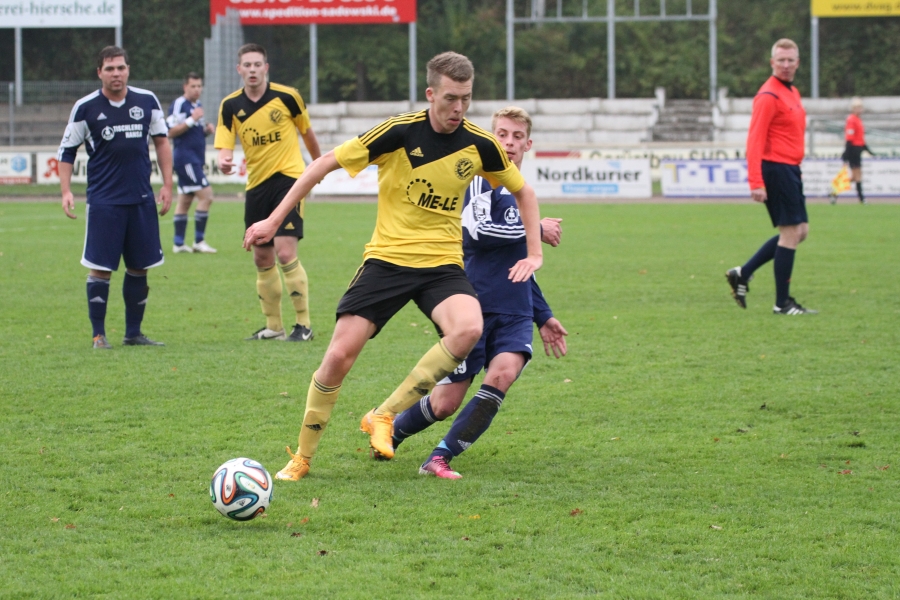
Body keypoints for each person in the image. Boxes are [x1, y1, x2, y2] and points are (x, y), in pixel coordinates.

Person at [242, 52, 544, 481]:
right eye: (450, 99)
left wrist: (534, 254)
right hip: (386, 260)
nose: (458, 109)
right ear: (430, 94)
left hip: (441, 264)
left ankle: (384, 415)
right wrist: (274, 220)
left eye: (466, 99)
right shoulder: (398, 132)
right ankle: (302, 458)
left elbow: (524, 193)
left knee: (468, 328)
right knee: (338, 357)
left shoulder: (480, 144)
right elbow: (322, 165)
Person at [387, 106, 568, 479]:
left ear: (528, 145)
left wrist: (543, 315)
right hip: (473, 309)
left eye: (517, 137)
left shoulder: (522, 195)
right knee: (444, 403)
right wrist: (533, 229)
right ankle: (391, 431)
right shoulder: (475, 181)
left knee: (502, 374)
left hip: (515, 312)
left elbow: (520, 266)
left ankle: (439, 457)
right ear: (491, 137)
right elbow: (476, 233)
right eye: (502, 134)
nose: (509, 142)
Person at [59, 46, 173, 349]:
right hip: (105, 202)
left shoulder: (147, 101)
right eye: (110, 69)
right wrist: (66, 190)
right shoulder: (85, 108)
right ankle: (99, 335)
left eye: (121, 67)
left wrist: (167, 184)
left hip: (140, 199)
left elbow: (162, 142)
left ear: (128, 69)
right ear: (99, 73)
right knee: (101, 267)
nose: (116, 73)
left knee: (140, 266)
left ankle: (133, 333)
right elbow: (67, 152)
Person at [216, 43, 321, 342]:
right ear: (239, 70)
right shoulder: (230, 105)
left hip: (288, 181)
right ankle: (274, 327)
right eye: (246, 65)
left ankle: (304, 325)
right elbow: (225, 144)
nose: (252, 70)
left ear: (266, 68)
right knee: (262, 258)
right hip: (257, 186)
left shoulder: (287, 97)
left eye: (257, 64)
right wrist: (224, 158)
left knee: (285, 251)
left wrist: (318, 166)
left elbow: (307, 132)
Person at [726, 38, 817, 316]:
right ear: (772, 63)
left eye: (791, 60)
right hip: (775, 169)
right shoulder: (769, 96)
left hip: (790, 168)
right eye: (781, 60)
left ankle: (743, 273)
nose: (786, 65)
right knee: (790, 234)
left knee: (800, 231)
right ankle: (782, 303)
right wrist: (756, 181)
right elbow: (754, 140)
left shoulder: (792, 92)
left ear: (798, 63)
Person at [167, 72, 217, 253]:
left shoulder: (198, 105)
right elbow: (170, 131)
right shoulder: (180, 105)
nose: (197, 89)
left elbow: (191, 132)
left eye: (199, 86)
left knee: (185, 200)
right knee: (207, 196)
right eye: (193, 86)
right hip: (186, 159)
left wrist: (205, 131)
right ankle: (199, 241)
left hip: (194, 158)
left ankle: (179, 244)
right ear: (185, 87)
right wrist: (191, 120)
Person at [830, 97, 874, 205]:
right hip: (853, 150)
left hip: (858, 150)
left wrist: (868, 150)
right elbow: (850, 137)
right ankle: (861, 198)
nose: (860, 109)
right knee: (857, 175)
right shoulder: (851, 120)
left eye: (860, 107)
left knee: (855, 176)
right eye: (857, 107)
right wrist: (846, 153)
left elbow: (861, 138)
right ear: (853, 108)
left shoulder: (858, 120)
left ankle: (834, 192)